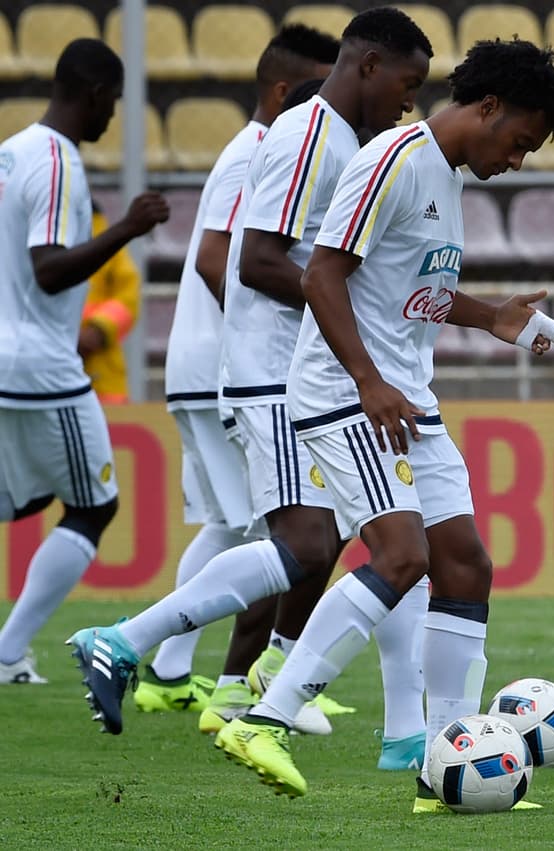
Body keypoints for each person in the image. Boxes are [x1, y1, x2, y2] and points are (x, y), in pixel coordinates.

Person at [214, 37, 554, 803]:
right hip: (347, 396)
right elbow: (320, 273)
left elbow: (413, 289)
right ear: (486, 107)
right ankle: (265, 715)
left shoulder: (444, 176)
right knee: (403, 555)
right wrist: (368, 379)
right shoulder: (393, 160)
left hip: (407, 395)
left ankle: (440, 764)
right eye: (519, 142)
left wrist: (492, 317)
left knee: (467, 563)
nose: (517, 161)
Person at [68, 6, 434, 741]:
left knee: (343, 539)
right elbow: (256, 258)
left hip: (294, 372)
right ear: (368, 66)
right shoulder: (309, 138)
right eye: (408, 81)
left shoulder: (330, 137)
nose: (410, 99)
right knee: (311, 544)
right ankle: (135, 645)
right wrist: (342, 311)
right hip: (273, 370)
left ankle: (267, 683)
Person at [132, 26, 341, 733]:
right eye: (323, 87)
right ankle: (239, 682)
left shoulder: (266, 150)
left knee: (237, 524)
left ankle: (172, 669)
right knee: (276, 535)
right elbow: (221, 262)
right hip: (229, 363)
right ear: (287, 92)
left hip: (218, 362)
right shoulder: (254, 153)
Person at [0, 39, 168, 684]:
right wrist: (126, 227)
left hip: (10, 361)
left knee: (20, 499)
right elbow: (47, 271)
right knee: (94, 506)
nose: (111, 118)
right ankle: (10, 649)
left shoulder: (12, 152)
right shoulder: (58, 161)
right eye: (114, 103)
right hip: (43, 369)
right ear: (96, 94)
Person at [79, 199, 141, 404]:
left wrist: (99, 330)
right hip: (59, 354)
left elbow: (128, 297)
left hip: (100, 363)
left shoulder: (104, 240)